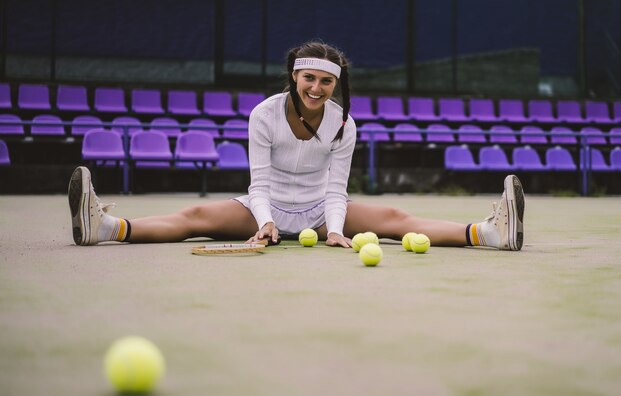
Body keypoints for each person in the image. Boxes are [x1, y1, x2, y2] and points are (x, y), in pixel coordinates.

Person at [68, 40, 524, 251]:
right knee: (195, 218)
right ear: (294, 76)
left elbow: (336, 189)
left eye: (327, 81)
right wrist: (265, 224)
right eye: (310, 78)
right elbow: (259, 182)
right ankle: (105, 227)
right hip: (263, 204)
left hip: (320, 210)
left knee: (393, 219)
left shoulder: (345, 124)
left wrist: (337, 229)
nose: (317, 88)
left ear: (335, 85)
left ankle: (488, 234)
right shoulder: (263, 115)